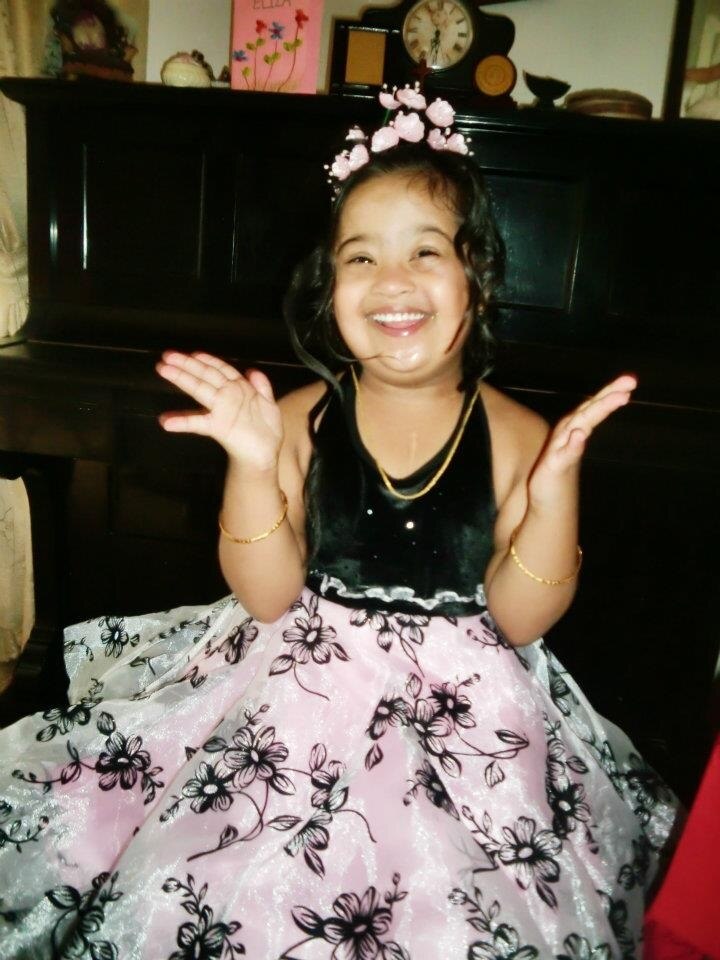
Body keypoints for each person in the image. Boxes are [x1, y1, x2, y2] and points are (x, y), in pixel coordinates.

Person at [0, 87, 679, 958]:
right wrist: (253, 466)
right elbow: (267, 596)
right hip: (298, 689)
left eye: (425, 250)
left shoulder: (519, 435)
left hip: (468, 719)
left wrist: (552, 501)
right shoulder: (294, 418)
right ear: (329, 287)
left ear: (478, 277)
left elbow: (518, 620)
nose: (393, 280)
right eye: (362, 257)